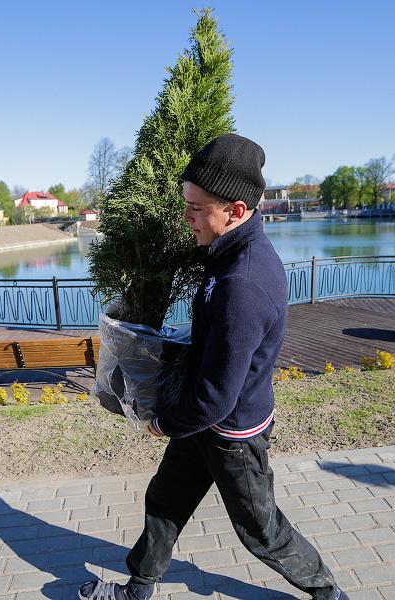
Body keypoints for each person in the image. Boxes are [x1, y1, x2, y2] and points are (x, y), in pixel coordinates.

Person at [80, 134, 346, 600]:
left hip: (230, 434)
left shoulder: (242, 281)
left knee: (260, 530)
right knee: (165, 499)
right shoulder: (226, 254)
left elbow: (218, 395)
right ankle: (138, 589)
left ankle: (328, 593)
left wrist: (164, 423)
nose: (186, 217)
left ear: (237, 211)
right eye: (187, 203)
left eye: (197, 208)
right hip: (201, 420)